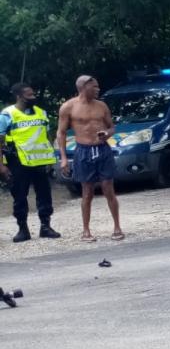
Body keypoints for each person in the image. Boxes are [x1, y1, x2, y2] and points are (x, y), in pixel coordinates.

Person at [58, 75, 124, 242]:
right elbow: (62, 132)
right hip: (83, 151)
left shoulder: (101, 106)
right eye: (94, 87)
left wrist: (107, 133)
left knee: (109, 189)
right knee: (87, 192)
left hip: (102, 149)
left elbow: (112, 127)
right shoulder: (68, 107)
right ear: (83, 87)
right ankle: (86, 230)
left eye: (97, 87)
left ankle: (117, 226)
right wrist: (64, 158)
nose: (98, 90)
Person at [0, 83, 62, 242]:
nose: (34, 97)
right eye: (30, 95)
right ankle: (23, 229)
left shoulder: (42, 113)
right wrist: (1, 165)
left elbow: (46, 136)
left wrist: (50, 158)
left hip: (40, 161)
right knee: (19, 196)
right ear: (19, 96)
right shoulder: (7, 115)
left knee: (44, 195)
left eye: (34, 94)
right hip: (17, 161)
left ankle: (46, 227)